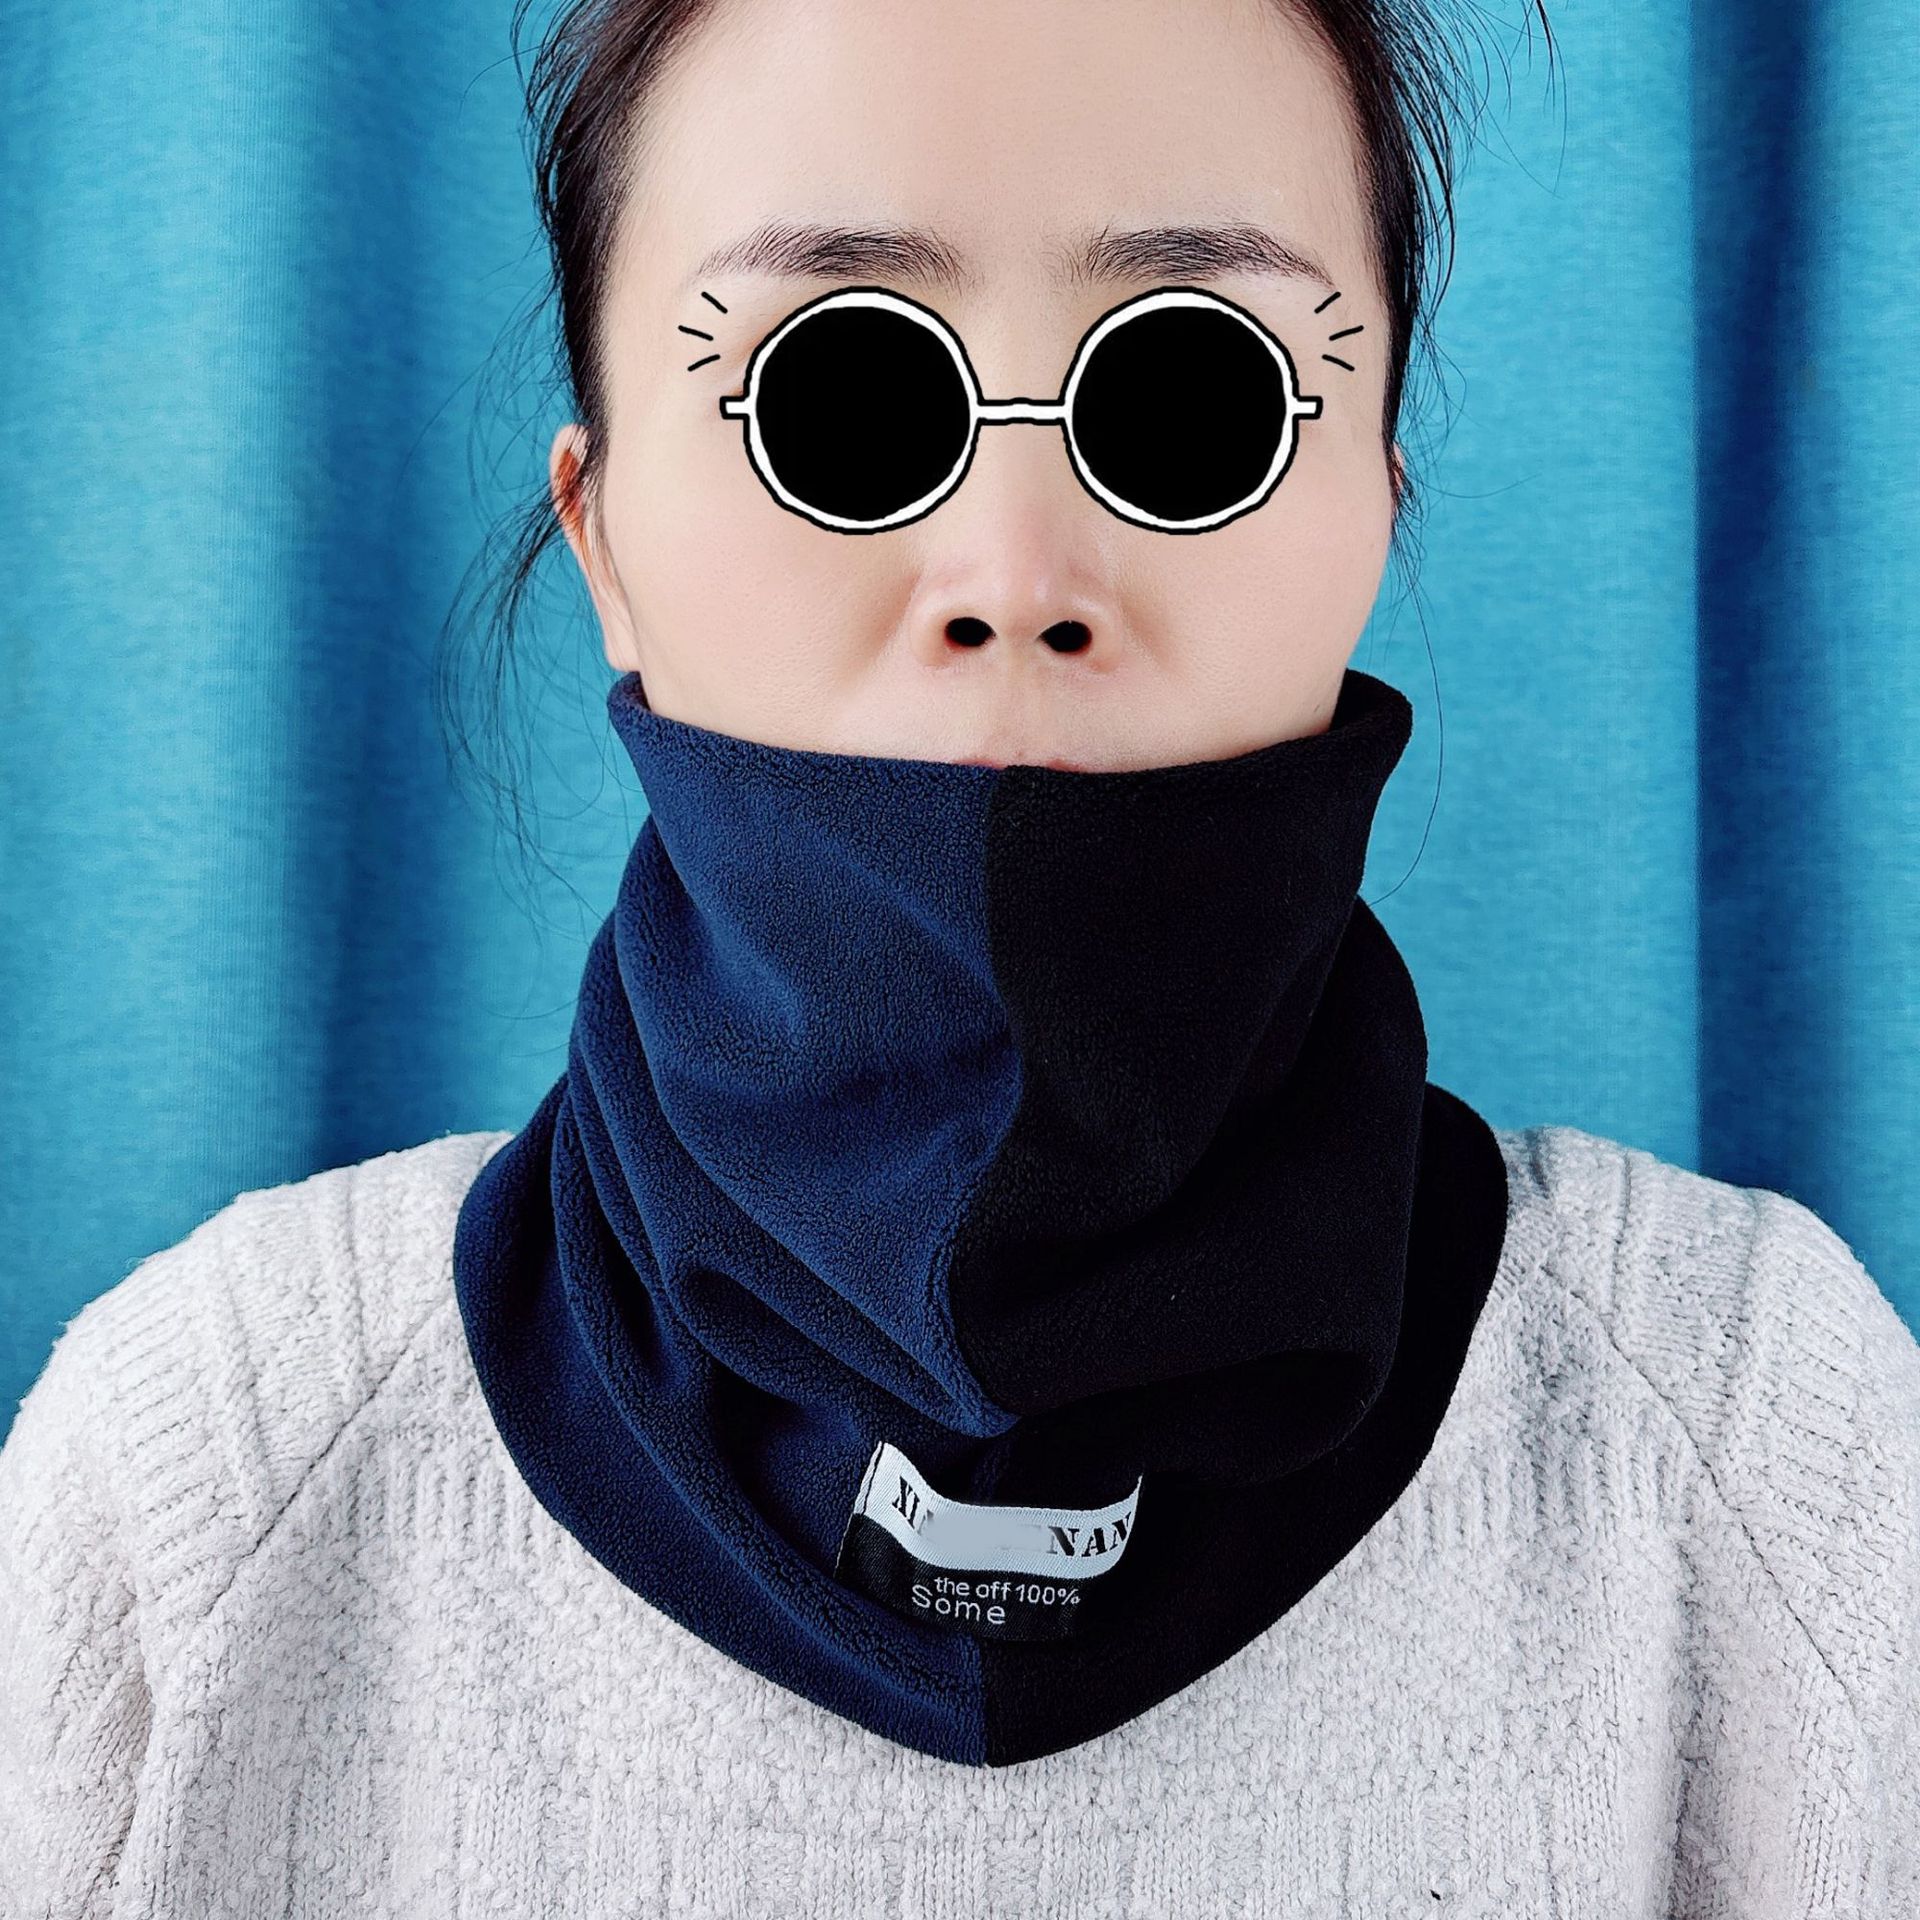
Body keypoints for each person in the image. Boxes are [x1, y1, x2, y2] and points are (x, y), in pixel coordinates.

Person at [5, 0, 1917, 1912]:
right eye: (841, 394)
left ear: (1380, 504)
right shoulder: (209, 1480)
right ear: (602, 535)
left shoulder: (1761, 1455)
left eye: (1195, 390)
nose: (1016, 575)